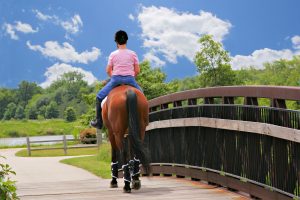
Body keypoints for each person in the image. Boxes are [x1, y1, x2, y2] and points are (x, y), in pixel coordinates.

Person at [90, 30, 142, 129]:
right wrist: (130, 77)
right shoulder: (133, 54)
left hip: (116, 80)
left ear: (116, 42)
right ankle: (146, 118)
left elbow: (108, 70)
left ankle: (99, 122)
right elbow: (137, 70)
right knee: (142, 95)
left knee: (99, 97)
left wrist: (113, 77)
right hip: (130, 79)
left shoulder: (113, 54)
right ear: (126, 41)